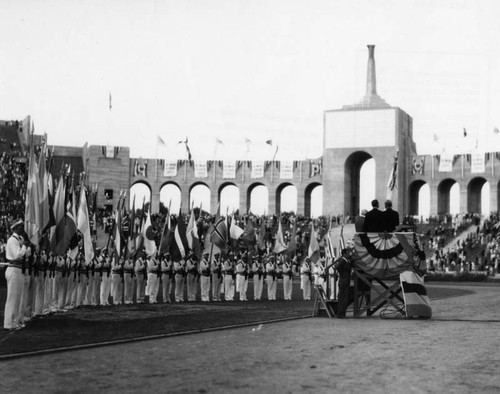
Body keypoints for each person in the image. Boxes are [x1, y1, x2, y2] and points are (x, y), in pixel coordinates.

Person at [3, 220, 31, 330]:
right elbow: (17, 255)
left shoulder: (20, 239)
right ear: (15, 228)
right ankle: (9, 323)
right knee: (13, 298)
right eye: (20, 226)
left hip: (20, 269)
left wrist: (27, 247)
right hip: (14, 269)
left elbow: (27, 255)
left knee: (20, 298)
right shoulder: (12, 240)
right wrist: (24, 247)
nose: (23, 228)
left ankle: (17, 321)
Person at [334, 248, 353, 318]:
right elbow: (338, 267)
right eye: (347, 253)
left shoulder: (346, 261)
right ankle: (340, 313)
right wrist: (342, 274)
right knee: (342, 298)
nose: (348, 254)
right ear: (344, 254)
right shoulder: (342, 261)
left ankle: (342, 313)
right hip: (343, 281)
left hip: (345, 281)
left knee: (344, 298)